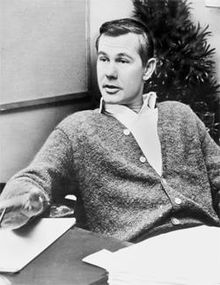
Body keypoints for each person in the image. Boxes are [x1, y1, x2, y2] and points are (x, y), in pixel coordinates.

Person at [0, 18, 219, 243]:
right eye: (104, 59)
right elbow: (34, 178)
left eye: (123, 61)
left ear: (148, 69)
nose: (109, 72)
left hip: (209, 243)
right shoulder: (78, 129)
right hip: (139, 255)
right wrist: (23, 197)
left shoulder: (180, 115)